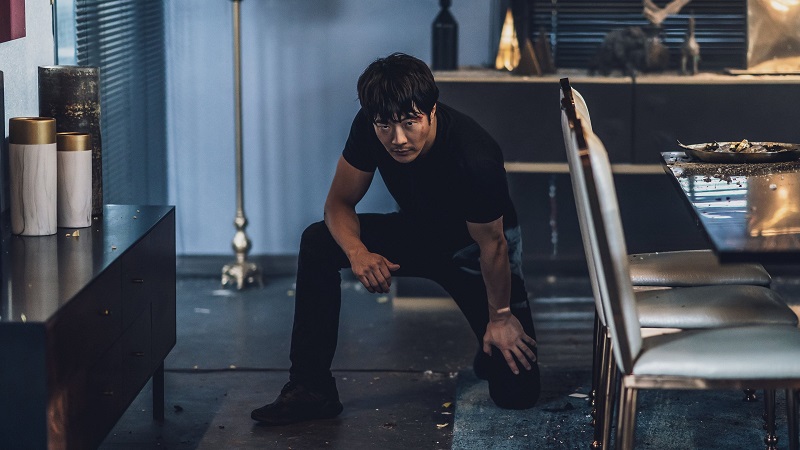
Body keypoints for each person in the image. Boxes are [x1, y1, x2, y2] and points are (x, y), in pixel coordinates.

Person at [251, 52, 540, 425]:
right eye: (385, 125)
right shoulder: (370, 124)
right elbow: (338, 203)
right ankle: (311, 388)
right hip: (418, 233)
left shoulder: (475, 156)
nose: (398, 138)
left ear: (431, 111)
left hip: (474, 252)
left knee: (517, 395)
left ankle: (488, 344)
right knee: (318, 241)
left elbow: (494, 246)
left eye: (410, 122)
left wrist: (499, 317)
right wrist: (357, 252)